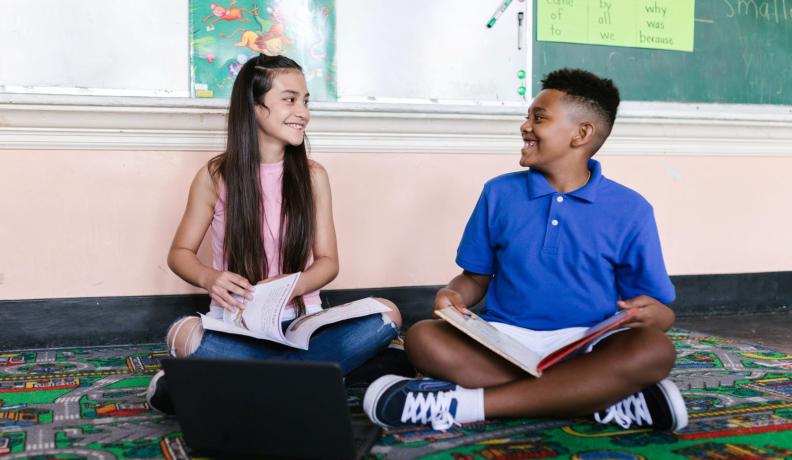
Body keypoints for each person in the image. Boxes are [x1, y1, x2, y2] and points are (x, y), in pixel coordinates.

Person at [362, 69, 688, 432]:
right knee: (424, 338)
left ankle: (464, 404)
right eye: (528, 116)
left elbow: (659, 313)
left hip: (587, 346)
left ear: (581, 134)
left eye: (539, 117)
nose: (525, 126)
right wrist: (454, 295)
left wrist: (652, 316)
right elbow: (474, 278)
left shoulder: (630, 209)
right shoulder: (499, 193)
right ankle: (594, 397)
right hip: (505, 343)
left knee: (656, 349)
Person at [147, 54, 402, 413]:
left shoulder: (314, 176)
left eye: (306, 101)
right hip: (237, 327)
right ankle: (327, 375)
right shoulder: (215, 176)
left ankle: (217, 382)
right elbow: (180, 253)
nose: (303, 112)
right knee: (185, 334)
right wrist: (210, 277)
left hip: (303, 325)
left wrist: (290, 286)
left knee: (388, 314)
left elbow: (328, 263)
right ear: (253, 107)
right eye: (290, 99)